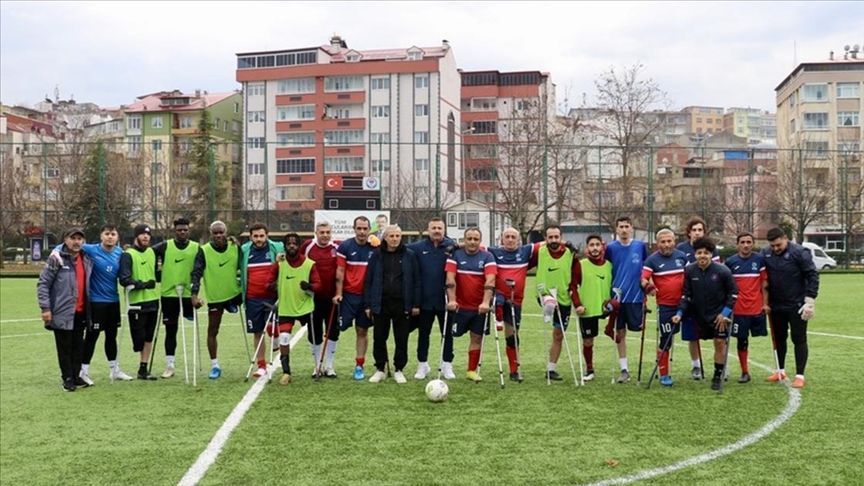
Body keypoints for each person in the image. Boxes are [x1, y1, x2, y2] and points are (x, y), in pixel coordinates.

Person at [52, 225, 134, 384]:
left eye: (113, 234)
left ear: (117, 237)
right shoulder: (91, 249)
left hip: (113, 301)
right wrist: (56, 251)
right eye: (107, 234)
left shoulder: (121, 254)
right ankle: (83, 371)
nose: (110, 237)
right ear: (101, 236)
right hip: (96, 302)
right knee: (92, 337)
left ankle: (114, 369)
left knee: (112, 336)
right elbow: (66, 246)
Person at [672, 237, 738, 391]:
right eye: (699, 253)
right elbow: (686, 295)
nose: (702, 256)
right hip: (699, 315)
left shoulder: (723, 271)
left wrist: (724, 313)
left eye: (706, 253)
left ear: (711, 254)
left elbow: (733, 293)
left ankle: (717, 374)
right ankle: (696, 368)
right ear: (695, 254)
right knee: (693, 341)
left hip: (719, 315)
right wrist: (679, 313)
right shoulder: (689, 270)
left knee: (720, 343)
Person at [761, 227, 819, 388]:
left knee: (798, 338)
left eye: (778, 245)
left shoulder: (800, 253)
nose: (775, 249)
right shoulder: (765, 253)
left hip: (797, 305)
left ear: (785, 238)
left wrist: (810, 301)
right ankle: (780, 370)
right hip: (776, 306)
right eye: (772, 246)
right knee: (779, 339)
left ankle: (800, 375)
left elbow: (812, 275)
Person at [37, 227, 93, 391]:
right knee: (64, 347)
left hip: (81, 311)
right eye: (73, 238)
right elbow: (43, 284)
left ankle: (76, 376)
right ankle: (67, 378)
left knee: (78, 346)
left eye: (79, 239)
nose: (76, 242)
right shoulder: (56, 258)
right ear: (65, 240)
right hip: (62, 312)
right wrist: (45, 308)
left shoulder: (86, 259)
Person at [364, 225, 421, 383]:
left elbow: (416, 280)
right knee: (379, 338)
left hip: (402, 304)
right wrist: (368, 304)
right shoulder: (376, 255)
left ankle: (399, 369)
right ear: (385, 238)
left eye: (397, 236)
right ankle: (380, 368)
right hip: (381, 303)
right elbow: (368, 280)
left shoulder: (409, 255)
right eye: (392, 236)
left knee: (401, 338)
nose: (395, 239)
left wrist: (416, 304)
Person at [190, 220, 243, 380]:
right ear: (211, 234)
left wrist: (238, 242)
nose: (219, 235)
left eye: (221, 232)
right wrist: (194, 295)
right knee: (212, 331)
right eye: (216, 233)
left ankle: (232, 305)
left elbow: (246, 262)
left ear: (226, 233)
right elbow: (196, 273)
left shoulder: (235, 247)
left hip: (235, 294)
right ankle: (215, 365)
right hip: (215, 298)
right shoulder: (204, 251)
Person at [487, 227, 541, 382]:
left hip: (515, 301)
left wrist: (567, 243)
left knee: (512, 336)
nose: (510, 240)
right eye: (507, 237)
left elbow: (547, 242)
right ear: (502, 239)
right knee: (498, 302)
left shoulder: (525, 251)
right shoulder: (494, 252)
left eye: (513, 237)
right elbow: (475, 246)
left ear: (519, 240)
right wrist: (457, 246)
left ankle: (514, 370)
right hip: (499, 297)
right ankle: (497, 317)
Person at [407, 217, 457, 380]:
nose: (436, 231)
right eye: (433, 228)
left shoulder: (452, 247)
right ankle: (423, 365)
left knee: (447, 333)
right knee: (423, 334)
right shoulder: (417, 247)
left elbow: (474, 247)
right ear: (428, 230)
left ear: (444, 230)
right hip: (425, 300)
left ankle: (447, 364)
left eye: (439, 228)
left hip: (445, 300)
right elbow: (397, 247)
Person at [445, 227, 497, 382]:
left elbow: (491, 280)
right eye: (469, 239)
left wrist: (486, 302)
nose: (472, 242)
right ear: (464, 240)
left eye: (476, 239)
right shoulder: (455, 255)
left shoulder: (488, 257)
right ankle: (446, 366)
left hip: (479, 308)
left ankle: (471, 371)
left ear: (480, 241)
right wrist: (452, 300)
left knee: (476, 337)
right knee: (450, 335)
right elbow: (450, 279)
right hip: (459, 306)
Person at [269, 233, 321, 385]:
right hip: (286, 307)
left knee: (314, 336)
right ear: (284, 246)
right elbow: (268, 281)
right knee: (284, 338)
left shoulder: (309, 263)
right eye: (289, 243)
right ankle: (286, 372)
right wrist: (272, 286)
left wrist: (309, 286)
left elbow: (319, 285)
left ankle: (318, 366)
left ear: (299, 245)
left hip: (305, 307)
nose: (292, 246)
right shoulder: (279, 263)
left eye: (295, 243)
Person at [151, 218, 198, 379]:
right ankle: (170, 365)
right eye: (179, 230)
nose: (182, 232)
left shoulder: (196, 247)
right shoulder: (165, 246)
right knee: (171, 330)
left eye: (185, 230)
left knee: (192, 327)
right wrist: (156, 273)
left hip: (187, 295)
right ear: (175, 231)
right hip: (169, 295)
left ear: (188, 230)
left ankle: (195, 363)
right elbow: (149, 253)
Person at [604, 216, 648, 383]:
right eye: (621, 226)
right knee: (620, 332)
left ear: (631, 229)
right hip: (617, 298)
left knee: (638, 330)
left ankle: (643, 366)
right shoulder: (611, 248)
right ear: (616, 229)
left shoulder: (640, 246)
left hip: (636, 297)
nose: (624, 229)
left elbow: (645, 268)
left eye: (626, 226)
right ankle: (624, 369)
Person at [641, 228, 688, 386]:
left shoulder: (682, 257)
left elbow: (691, 275)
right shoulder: (652, 260)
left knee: (696, 335)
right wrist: (648, 287)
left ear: (674, 241)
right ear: (657, 243)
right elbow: (643, 279)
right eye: (663, 242)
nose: (667, 244)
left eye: (669, 241)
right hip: (666, 306)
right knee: (666, 340)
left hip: (685, 303)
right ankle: (664, 374)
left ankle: (698, 368)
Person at [676, 215, 721, 380]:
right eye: (694, 230)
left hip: (710, 300)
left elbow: (717, 270)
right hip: (690, 298)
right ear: (689, 233)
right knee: (692, 335)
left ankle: (721, 367)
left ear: (704, 232)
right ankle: (696, 366)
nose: (697, 233)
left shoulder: (712, 248)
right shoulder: (681, 248)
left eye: (700, 230)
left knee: (717, 336)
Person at [332, 216, 375, 381]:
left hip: (366, 297)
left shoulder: (375, 247)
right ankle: (328, 365)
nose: (362, 232)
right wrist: (338, 293)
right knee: (338, 328)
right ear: (354, 229)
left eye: (365, 229)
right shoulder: (346, 246)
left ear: (369, 229)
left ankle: (359, 365)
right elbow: (340, 272)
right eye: (359, 228)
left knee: (362, 330)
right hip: (348, 296)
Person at [535, 224, 579, 381]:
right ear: (545, 238)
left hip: (564, 299)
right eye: (550, 237)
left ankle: (551, 369)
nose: (553, 240)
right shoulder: (540, 251)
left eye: (556, 237)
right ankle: (549, 306)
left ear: (561, 237)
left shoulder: (568, 253)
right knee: (549, 302)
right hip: (545, 293)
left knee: (558, 335)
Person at [724, 232, 770, 384]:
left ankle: (780, 370)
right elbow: (726, 286)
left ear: (753, 243)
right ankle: (745, 372)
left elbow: (764, 284)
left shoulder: (759, 259)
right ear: (737, 244)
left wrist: (765, 303)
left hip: (756, 308)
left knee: (764, 337)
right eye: (742, 242)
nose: (745, 245)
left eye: (748, 242)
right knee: (742, 340)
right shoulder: (730, 262)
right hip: (739, 309)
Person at [239, 222, 283, 379]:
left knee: (271, 325)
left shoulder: (276, 248)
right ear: (250, 237)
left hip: (271, 297)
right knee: (257, 332)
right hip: (252, 298)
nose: (259, 239)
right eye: (255, 236)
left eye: (261, 236)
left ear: (267, 235)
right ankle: (261, 366)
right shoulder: (244, 251)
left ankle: (276, 338)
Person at [118, 224, 159, 380]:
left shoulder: (152, 252)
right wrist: (143, 284)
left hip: (153, 301)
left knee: (149, 336)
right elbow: (124, 279)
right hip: (136, 303)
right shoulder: (128, 255)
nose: (146, 237)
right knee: (139, 340)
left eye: (148, 235)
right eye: (142, 234)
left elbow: (154, 273)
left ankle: (143, 368)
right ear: (136, 236)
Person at [300, 222, 340, 377]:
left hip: (332, 299)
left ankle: (329, 366)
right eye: (322, 232)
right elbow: (296, 259)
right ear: (315, 232)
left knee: (333, 332)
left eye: (328, 232)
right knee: (314, 333)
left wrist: (372, 239)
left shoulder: (337, 247)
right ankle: (317, 365)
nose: (325, 235)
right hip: (313, 298)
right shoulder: (308, 246)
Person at [575, 233, 614, 382]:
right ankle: (590, 369)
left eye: (597, 245)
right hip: (588, 309)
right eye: (592, 245)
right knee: (588, 342)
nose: (595, 248)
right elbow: (572, 285)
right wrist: (578, 304)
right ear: (587, 248)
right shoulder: (581, 264)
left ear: (602, 247)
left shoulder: (609, 265)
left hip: (606, 307)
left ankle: (624, 368)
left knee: (620, 333)